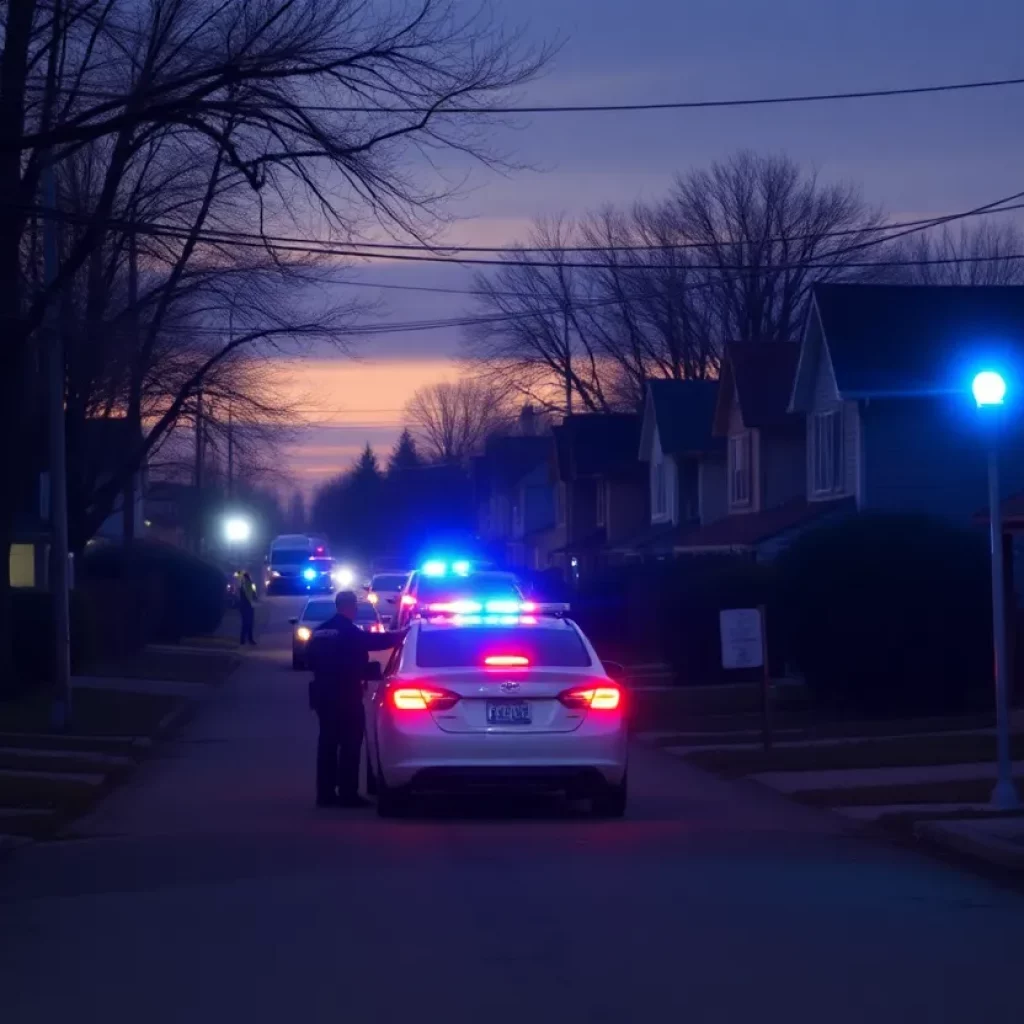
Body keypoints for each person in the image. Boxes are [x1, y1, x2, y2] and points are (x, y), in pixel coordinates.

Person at [306, 590, 405, 808]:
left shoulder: (320, 632)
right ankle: (348, 794)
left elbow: (307, 658)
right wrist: (403, 634)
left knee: (327, 744)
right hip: (346, 694)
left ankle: (324, 794)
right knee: (350, 744)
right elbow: (378, 642)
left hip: (322, 694)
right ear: (352, 607)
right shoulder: (350, 632)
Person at [238, 570, 257, 646]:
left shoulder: (243, 585)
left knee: (246, 623)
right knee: (249, 623)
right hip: (248, 606)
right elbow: (254, 596)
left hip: (245, 606)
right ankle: (248, 639)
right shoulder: (250, 585)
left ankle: (244, 640)